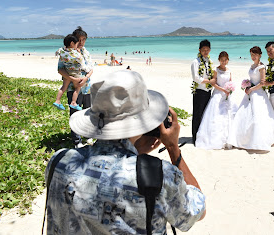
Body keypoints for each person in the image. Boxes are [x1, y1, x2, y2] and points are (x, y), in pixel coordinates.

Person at [45, 70, 206, 234]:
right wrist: (173, 149)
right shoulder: (161, 175)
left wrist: (136, 152)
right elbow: (197, 211)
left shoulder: (59, 161)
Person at [227, 46, 274, 151]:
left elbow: (262, 83)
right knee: (243, 115)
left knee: (257, 118)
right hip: (250, 92)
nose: (253, 57)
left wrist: (251, 89)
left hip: (258, 93)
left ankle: (257, 141)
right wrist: (247, 85)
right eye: (251, 55)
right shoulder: (252, 66)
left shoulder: (261, 67)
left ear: (260, 55)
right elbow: (252, 79)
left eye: (255, 55)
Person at [58, 26, 93, 148]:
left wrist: (86, 78)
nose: (82, 42)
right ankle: (76, 140)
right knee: (75, 113)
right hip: (73, 88)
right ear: (74, 40)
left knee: (87, 112)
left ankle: (87, 135)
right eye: (79, 39)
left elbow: (91, 68)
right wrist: (73, 79)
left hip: (87, 87)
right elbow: (60, 69)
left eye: (84, 39)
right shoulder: (66, 52)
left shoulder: (86, 52)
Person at [196, 51, 238, 150]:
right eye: (222, 60)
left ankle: (230, 139)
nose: (224, 62)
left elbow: (230, 82)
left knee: (229, 115)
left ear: (228, 60)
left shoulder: (229, 70)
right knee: (217, 116)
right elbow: (213, 83)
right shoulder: (216, 70)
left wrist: (230, 89)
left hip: (227, 94)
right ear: (219, 60)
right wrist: (223, 89)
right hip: (218, 94)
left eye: (225, 60)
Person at [191, 39, 215, 144]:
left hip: (208, 91)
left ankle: (203, 136)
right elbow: (196, 78)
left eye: (207, 50)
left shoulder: (209, 62)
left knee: (206, 114)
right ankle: (195, 137)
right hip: (199, 91)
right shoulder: (195, 62)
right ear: (199, 50)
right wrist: (209, 81)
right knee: (197, 114)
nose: (206, 52)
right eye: (203, 50)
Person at [53, 34, 85, 111]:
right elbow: (81, 61)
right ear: (72, 43)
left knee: (64, 87)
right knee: (77, 88)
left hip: (67, 71)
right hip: (75, 72)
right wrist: (79, 52)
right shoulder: (75, 53)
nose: (77, 46)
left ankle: (57, 101)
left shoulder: (61, 50)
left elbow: (56, 53)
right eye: (76, 44)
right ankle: (73, 102)